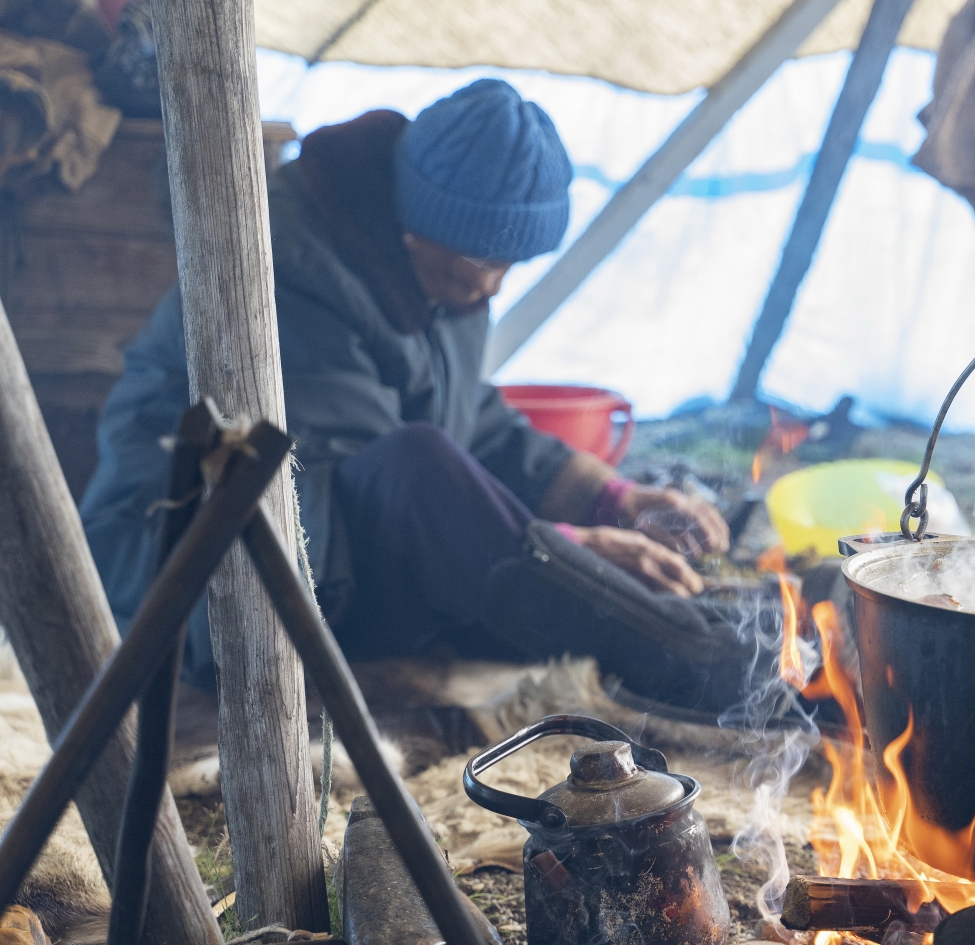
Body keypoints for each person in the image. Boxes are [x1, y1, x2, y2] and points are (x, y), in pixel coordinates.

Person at [79, 80, 765, 713]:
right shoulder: (282, 270)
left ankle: (691, 644)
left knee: (522, 584)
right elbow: (404, 476)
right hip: (191, 571)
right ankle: (704, 666)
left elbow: (466, 419)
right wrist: (563, 554)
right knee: (434, 483)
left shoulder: (435, 270)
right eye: (481, 263)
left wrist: (609, 498)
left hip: (328, 547)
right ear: (417, 225)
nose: (493, 287)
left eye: (510, 267)